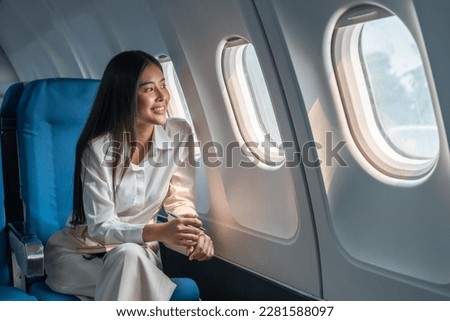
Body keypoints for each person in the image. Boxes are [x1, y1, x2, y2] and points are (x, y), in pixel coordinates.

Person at [44, 50, 214, 300]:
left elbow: (180, 200)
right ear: (126, 97)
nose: (162, 96)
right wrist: (160, 232)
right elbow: (101, 227)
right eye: (148, 89)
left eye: (163, 85)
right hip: (81, 256)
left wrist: (193, 235)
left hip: (138, 253)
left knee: (129, 258)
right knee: (130, 265)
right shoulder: (98, 149)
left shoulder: (180, 133)